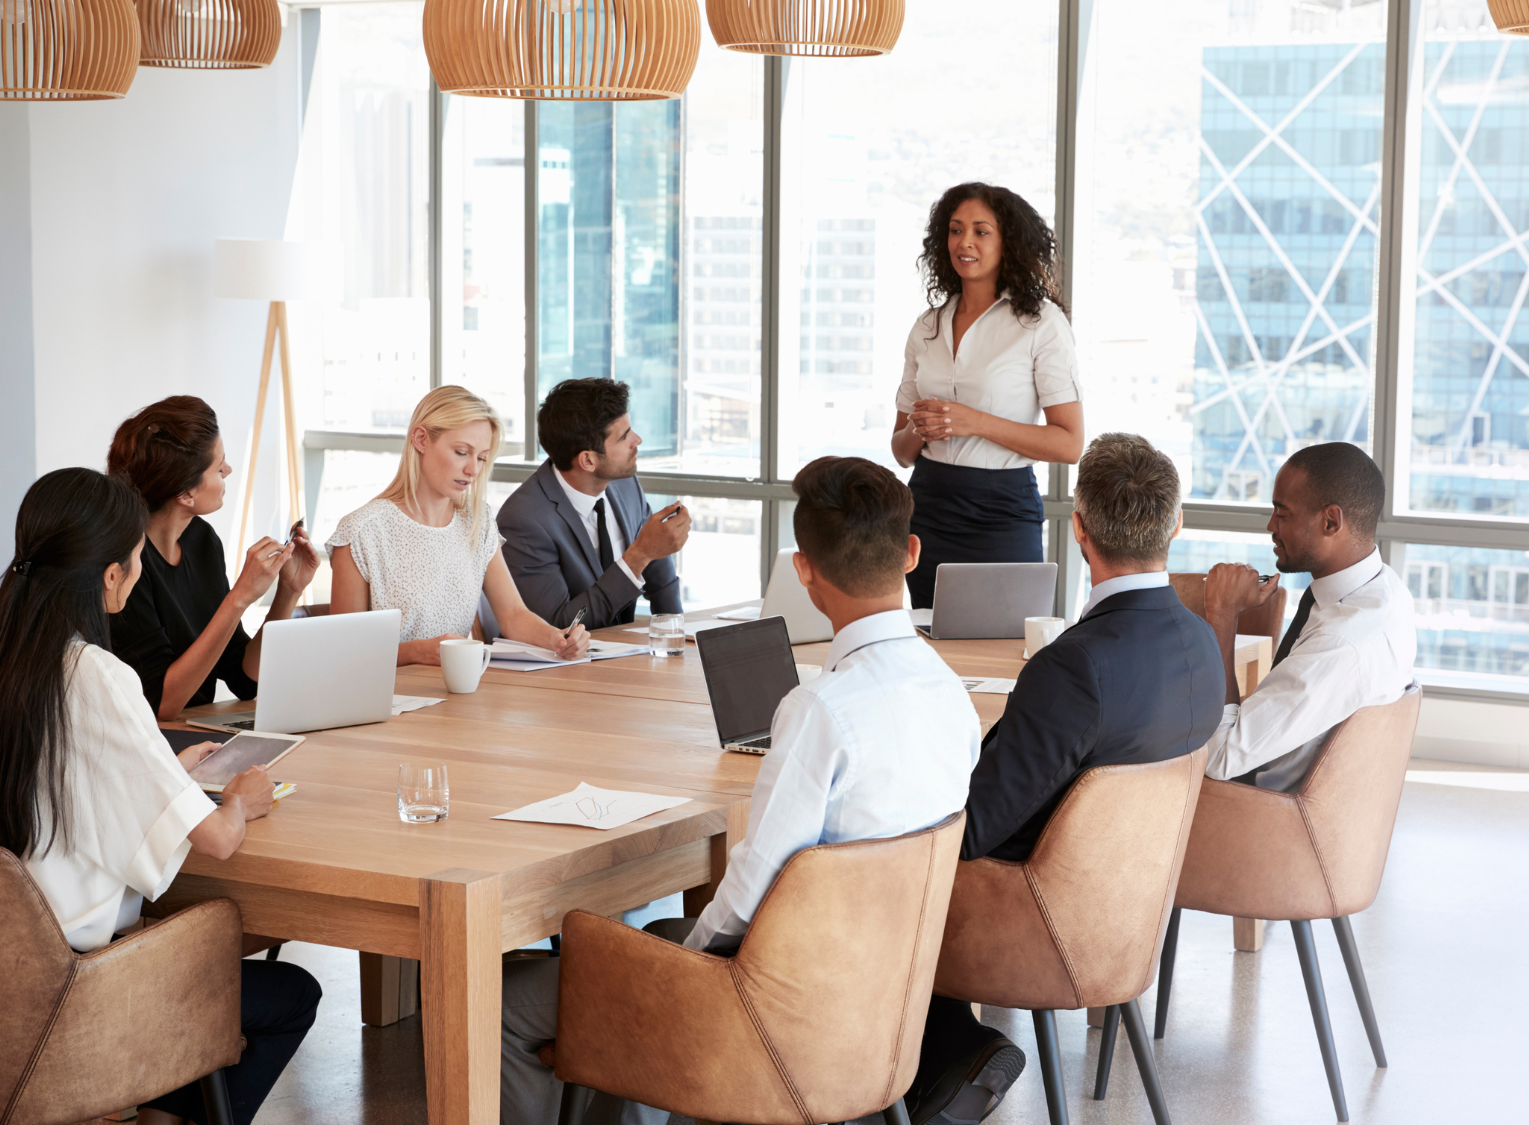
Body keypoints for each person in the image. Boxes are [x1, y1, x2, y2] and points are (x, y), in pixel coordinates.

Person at [499, 456, 982, 1125]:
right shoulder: (950, 694)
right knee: (660, 937)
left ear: (804, 570)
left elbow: (755, 883)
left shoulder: (822, 709)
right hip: (885, 997)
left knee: (507, 1003)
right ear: (911, 553)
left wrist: (681, 971)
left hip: (778, 1013)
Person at [0, 467, 321, 1125]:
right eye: (137, 560)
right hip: (79, 987)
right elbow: (220, 841)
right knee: (291, 994)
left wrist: (164, 767)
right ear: (110, 575)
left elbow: (67, 769)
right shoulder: (97, 673)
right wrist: (240, 799)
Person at [906, 433, 1223, 1125]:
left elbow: (975, 828)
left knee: (865, 867)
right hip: (1127, 913)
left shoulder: (1076, 667)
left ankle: (930, 1064)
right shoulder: (1203, 642)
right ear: (1175, 525)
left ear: (1077, 528)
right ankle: (949, 1051)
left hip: (1037, 919)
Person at [892, 182, 1085, 608]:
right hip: (927, 508)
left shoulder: (1041, 323)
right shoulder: (927, 327)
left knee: (1003, 646)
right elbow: (901, 451)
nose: (965, 242)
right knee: (931, 640)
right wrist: (920, 428)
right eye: (956, 230)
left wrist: (973, 421)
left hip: (1003, 512)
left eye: (981, 231)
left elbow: (1069, 443)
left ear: (1007, 242)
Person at [1198, 442, 1417, 791]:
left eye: (1282, 514)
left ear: (1331, 521)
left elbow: (1219, 758)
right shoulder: (1387, 590)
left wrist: (1222, 618)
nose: (1271, 525)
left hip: (1252, 810)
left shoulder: (1338, 645)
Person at [328, 385, 589, 665]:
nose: (473, 470)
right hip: (389, 700)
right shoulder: (361, 532)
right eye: (461, 452)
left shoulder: (477, 522)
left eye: (481, 458)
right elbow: (344, 653)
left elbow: (513, 614)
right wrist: (417, 652)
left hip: (458, 692)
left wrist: (558, 639)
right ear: (420, 439)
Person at [106, 395, 321, 720]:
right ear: (186, 493)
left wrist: (288, 590)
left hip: (195, 734)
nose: (229, 470)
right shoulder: (126, 566)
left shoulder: (201, 540)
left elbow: (244, 678)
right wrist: (238, 599)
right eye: (219, 467)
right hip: (154, 744)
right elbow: (161, 704)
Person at [498, 378, 687, 630]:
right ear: (587, 460)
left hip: (626, 657)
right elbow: (558, 626)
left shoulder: (624, 484)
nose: (638, 440)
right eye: (625, 437)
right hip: (566, 666)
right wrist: (638, 555)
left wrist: (678, 635)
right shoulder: (522, 520)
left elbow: (657, 568)